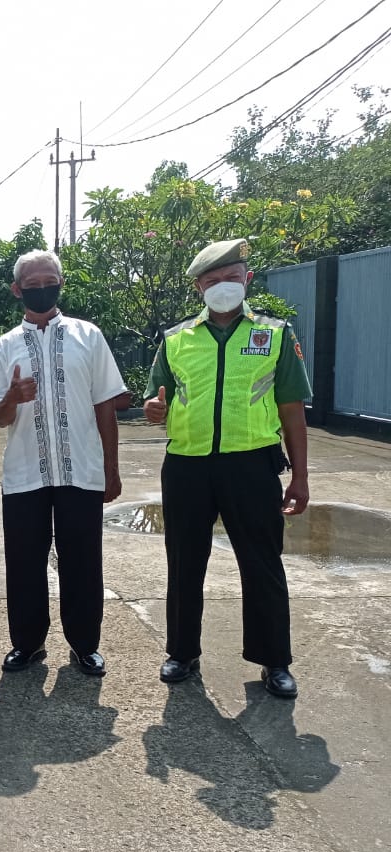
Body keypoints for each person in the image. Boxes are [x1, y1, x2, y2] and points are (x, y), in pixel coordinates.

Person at [144, 238, 312, 698]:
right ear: (200, 286)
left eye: (231, 278)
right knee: (184, 562)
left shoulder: (274, 334)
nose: (223, 287)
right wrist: (154, 409)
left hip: (252, 465)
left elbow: (292, 407)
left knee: (261, 563)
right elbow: (157, 398)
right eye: (212, 281)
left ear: (247, 279)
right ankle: (182, 652)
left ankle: (274, 660)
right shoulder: (177, 339)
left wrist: (300, 474)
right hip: (186, 466)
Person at [0, 250, 128, 676]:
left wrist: (111, 469)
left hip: (80, 470)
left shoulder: (88, 336)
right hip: (25, 473)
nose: (41, 288)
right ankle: (27, 644)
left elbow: (105, 406)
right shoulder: (5, 346)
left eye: (50, 280)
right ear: (17, 289)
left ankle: (85, 645)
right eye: (32, 283)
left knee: (82, 559)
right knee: (24, 561)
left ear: (61, 284)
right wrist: (12, 397)